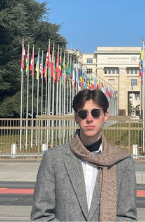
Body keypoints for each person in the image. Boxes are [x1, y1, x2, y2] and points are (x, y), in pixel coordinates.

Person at [31, 89, 137, 222]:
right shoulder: (53, 159)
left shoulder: (122, 162)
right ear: (76, 117)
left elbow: (128, 217)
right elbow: (41, 215)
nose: (89, 119)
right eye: (83, 113)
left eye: (96, 112)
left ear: (105, 116)